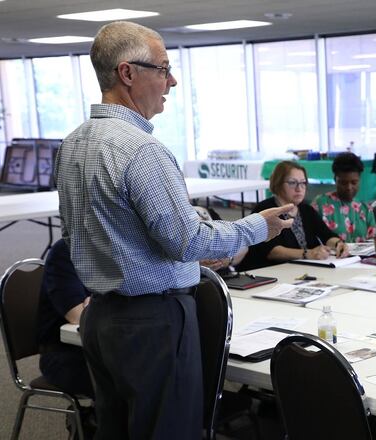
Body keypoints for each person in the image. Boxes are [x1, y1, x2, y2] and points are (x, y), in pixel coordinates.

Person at [53, 21, 293, 438]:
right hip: (154, 322)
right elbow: (188, 241)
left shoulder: (74, 142)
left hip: (100, 317)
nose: (173, 81)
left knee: (116, 430)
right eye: (163, 69)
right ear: (127, 74)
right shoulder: (143, 151)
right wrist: (257, 226)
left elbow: (82, 234)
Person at [237, 161, 349, 270]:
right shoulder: (266, 209)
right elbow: (272, 251)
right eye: (292, 183)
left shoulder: (306, 209)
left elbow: (327, 235)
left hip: (298, 270)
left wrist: (338, 244)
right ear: (278, 183)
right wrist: (308, 253)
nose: (299, 188)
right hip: (265, 272)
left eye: (303, 183)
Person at [37, 239, 93, 398]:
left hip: (102, 348)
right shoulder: (67, 250)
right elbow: (78, 316)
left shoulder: (123, 249)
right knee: (133, 376)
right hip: (65, 354)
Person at [311, 152, 376, 243]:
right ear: (335, 179)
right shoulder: (320, 205)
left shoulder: (365, 209)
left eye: (354, 182)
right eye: (343, 183)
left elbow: (374, 243)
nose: (349, 187)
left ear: (360, 180)